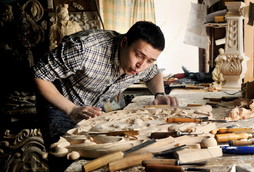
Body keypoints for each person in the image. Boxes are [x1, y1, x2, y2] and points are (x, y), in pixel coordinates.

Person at [33, 21, 178, 150]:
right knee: (64, 155)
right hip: (59, 103)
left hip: (92, 107)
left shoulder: (143, 64)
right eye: (138, 55)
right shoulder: (84, 48)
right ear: (124, 43)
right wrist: (71, 109)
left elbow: (153, 74)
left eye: (150, 60)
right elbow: (39, 75)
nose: (140, 66)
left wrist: (159, 94)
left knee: (97, 151)